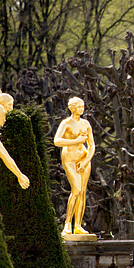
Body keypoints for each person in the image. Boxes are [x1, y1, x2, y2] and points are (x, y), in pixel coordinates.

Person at [54, 97, 95, 235]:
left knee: (83, 191)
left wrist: (86, 160)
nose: (82, 109)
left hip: (83, 158)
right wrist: (76, 141)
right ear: (72, 107)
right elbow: (57, 141)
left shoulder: (86, 123)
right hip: (70, 158)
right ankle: (67, 224)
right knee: (76, 189)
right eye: (79, 106)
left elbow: (92, 145)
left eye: (83, 106)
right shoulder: (66, 123)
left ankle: (77, 225)